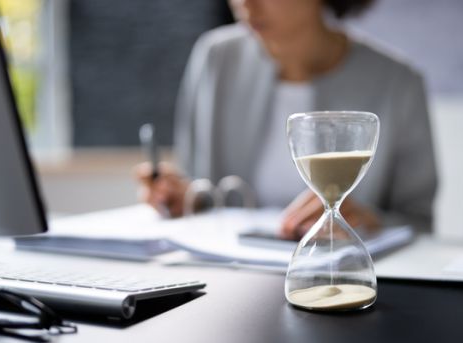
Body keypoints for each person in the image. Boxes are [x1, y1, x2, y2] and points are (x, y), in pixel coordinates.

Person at [136, 0, 437, 240]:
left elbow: (419, 221)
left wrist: (368, 219)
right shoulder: (216, 59)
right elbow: (199, 189)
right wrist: (179, 197)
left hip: (345, 274)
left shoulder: (398, 84)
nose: (245, 4)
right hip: (228, 277)